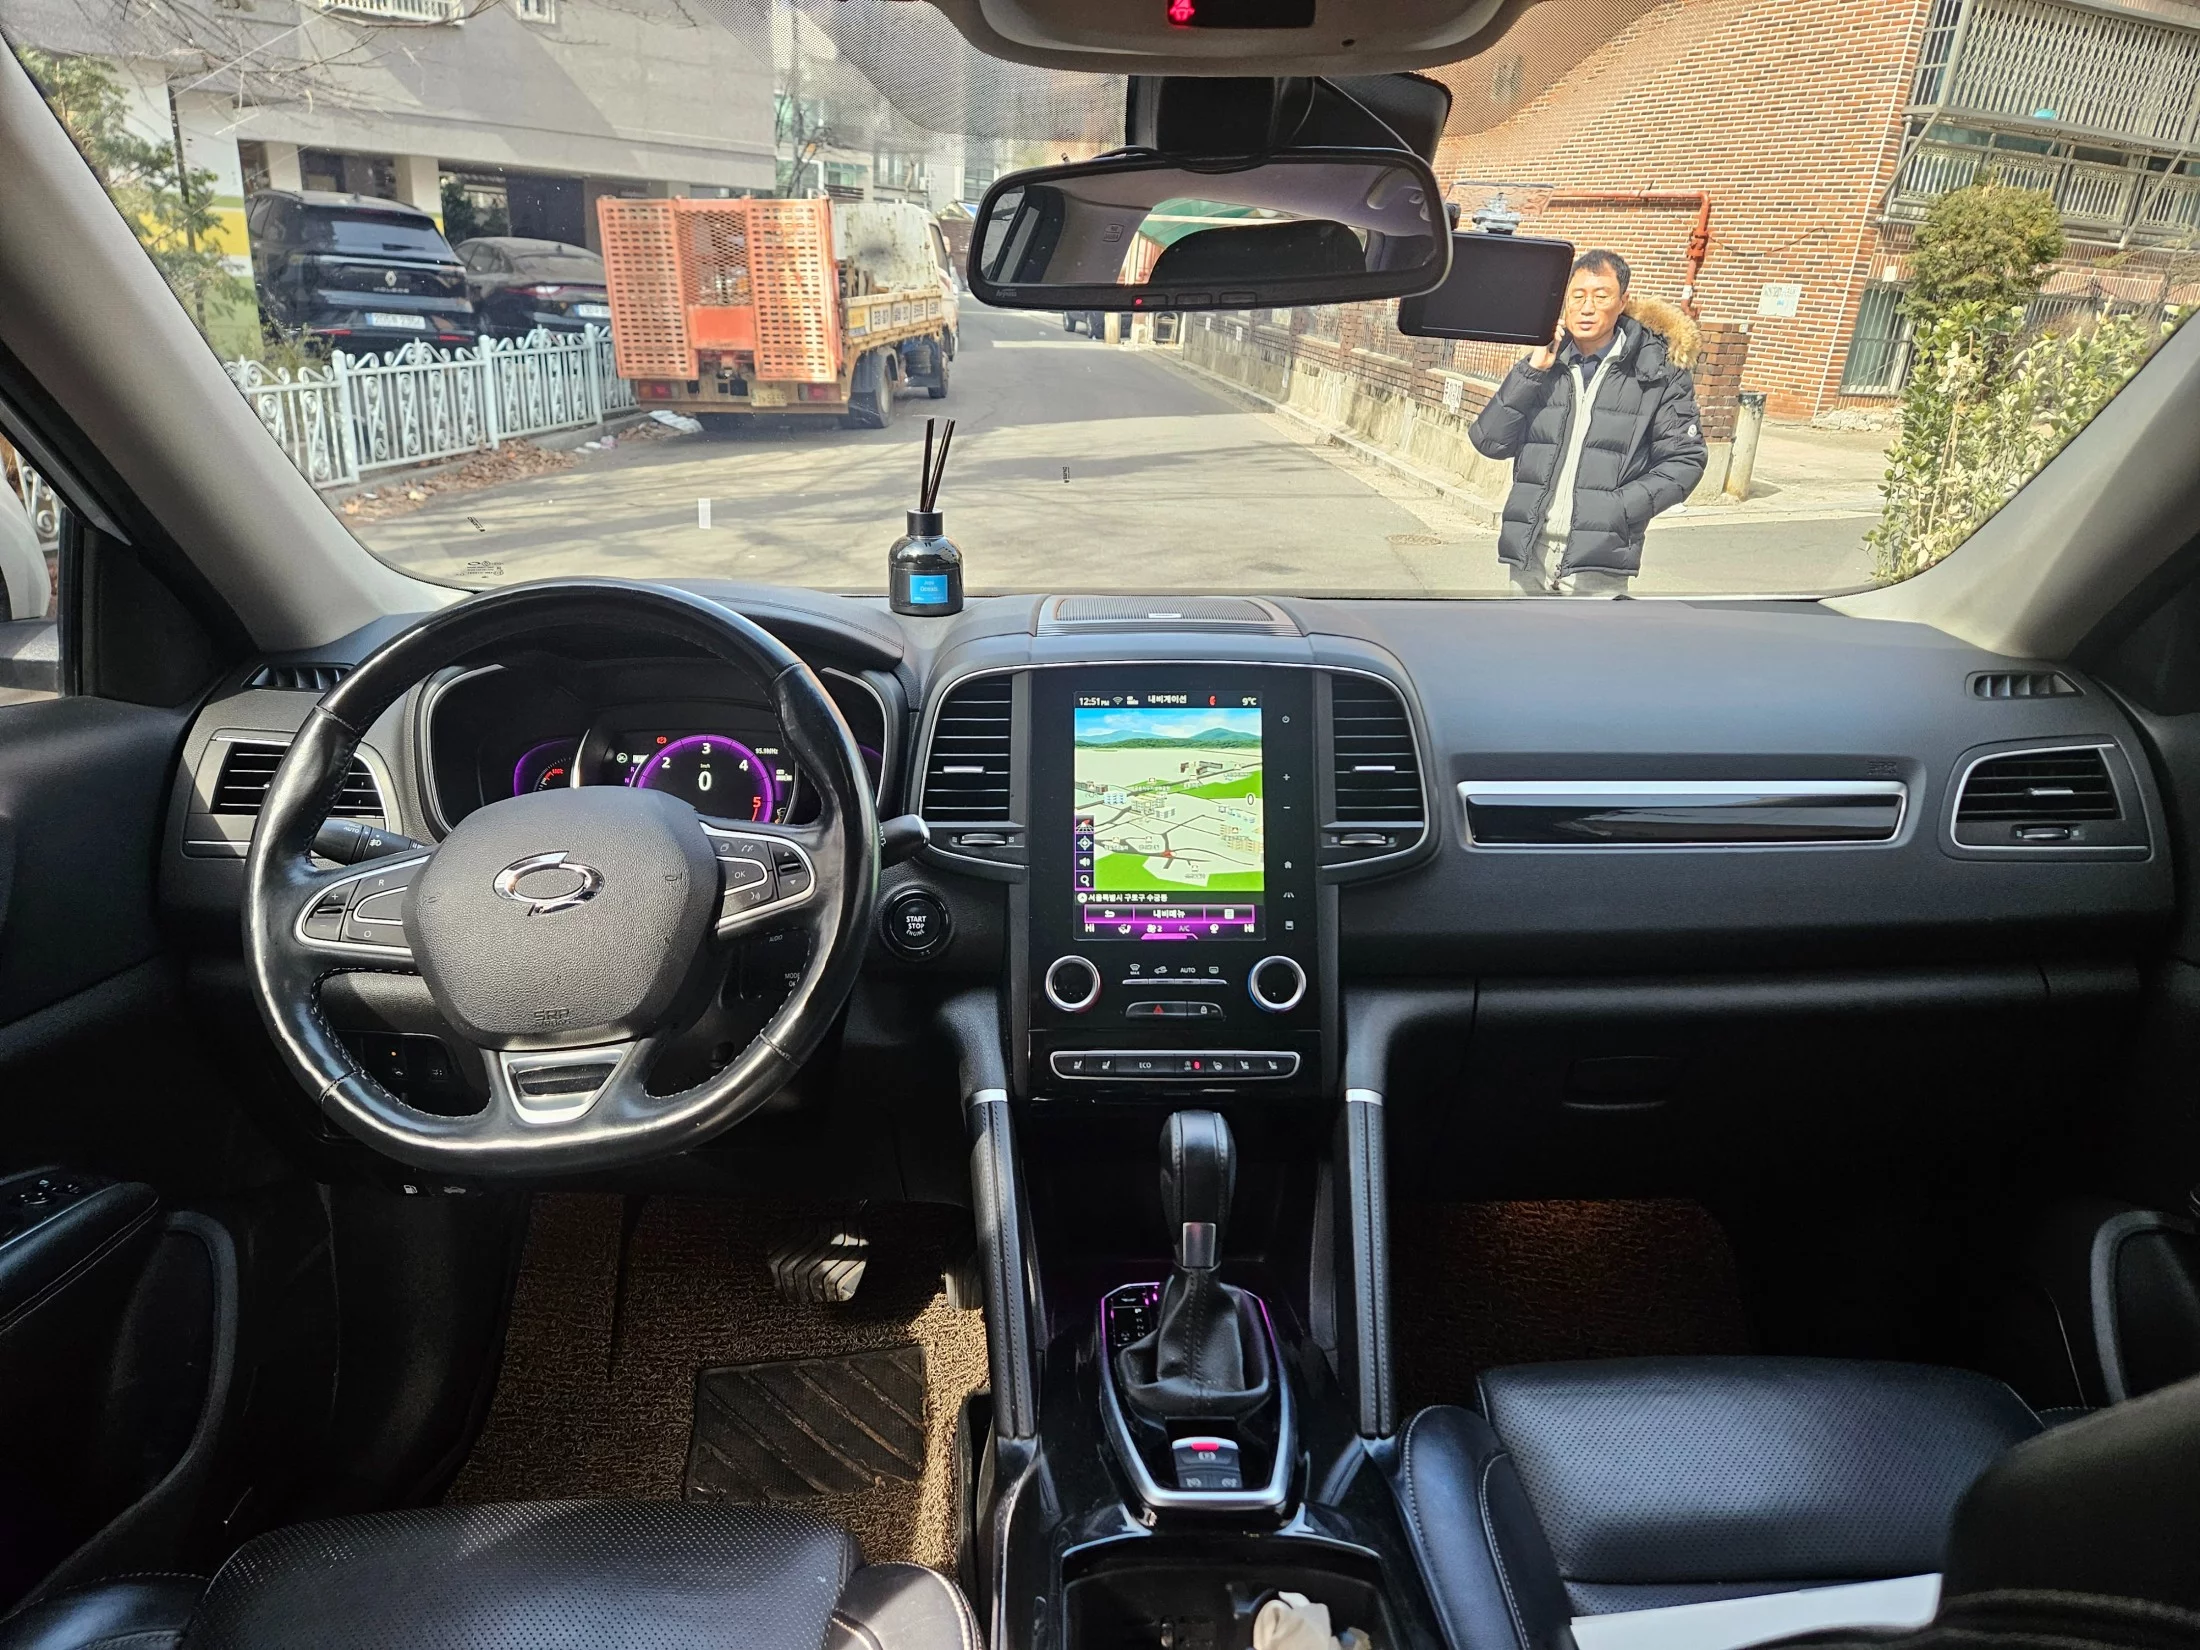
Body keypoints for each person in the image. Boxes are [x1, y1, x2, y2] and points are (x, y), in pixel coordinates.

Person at [1468, 249, 1707, 596]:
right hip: (1529, 554)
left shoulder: (1656, 371)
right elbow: (1489, 442)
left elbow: (1685, 461)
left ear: (1622, 301)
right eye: (1577, 296)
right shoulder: (1545, 364)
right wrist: (1531, 372)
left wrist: (1618, 509)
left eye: (1601, 296)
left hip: (1598, 563)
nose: (1587, 307)